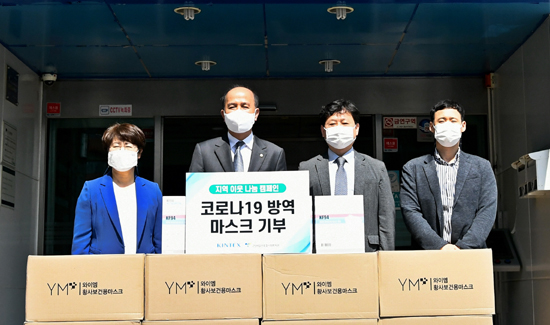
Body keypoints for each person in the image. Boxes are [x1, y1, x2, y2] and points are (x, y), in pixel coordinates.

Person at [299, 99, 395, 252]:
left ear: (356, 129)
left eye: (344, 123)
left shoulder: (377, 167)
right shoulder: (307, 168)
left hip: (366, 250)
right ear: (323, 131)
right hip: (322, 251)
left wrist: (386, 255)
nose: (339, 128)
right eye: (332, 124)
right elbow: (301, 216)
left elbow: (386, 215)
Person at [400, 99, 497, 250]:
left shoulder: (482, 167)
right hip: (428, 254)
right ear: (431, 127)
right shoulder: (413, 168)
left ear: (463, 126)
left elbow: (487, 210)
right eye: (441, 120)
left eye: (453, 120)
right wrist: (440, 246)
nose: (447, 124)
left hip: (471, 254)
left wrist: (463, 247)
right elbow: (410, 211)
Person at [72, 123, 162, 254]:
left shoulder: (152, 191)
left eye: (128, 146)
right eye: (116, 146)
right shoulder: (91, 190)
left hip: (142, 265)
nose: (122, 151)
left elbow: (159, 240)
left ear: (139, 153)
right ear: (108, 152)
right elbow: (81, 242)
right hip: (103, 265)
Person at [189, 85, 286, 172]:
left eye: (245, 106)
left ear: (256, 114)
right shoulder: (204, 151)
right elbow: (195, 186)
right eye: (232, 107)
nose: (238, 111)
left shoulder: (274, 153)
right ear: (223, 114)